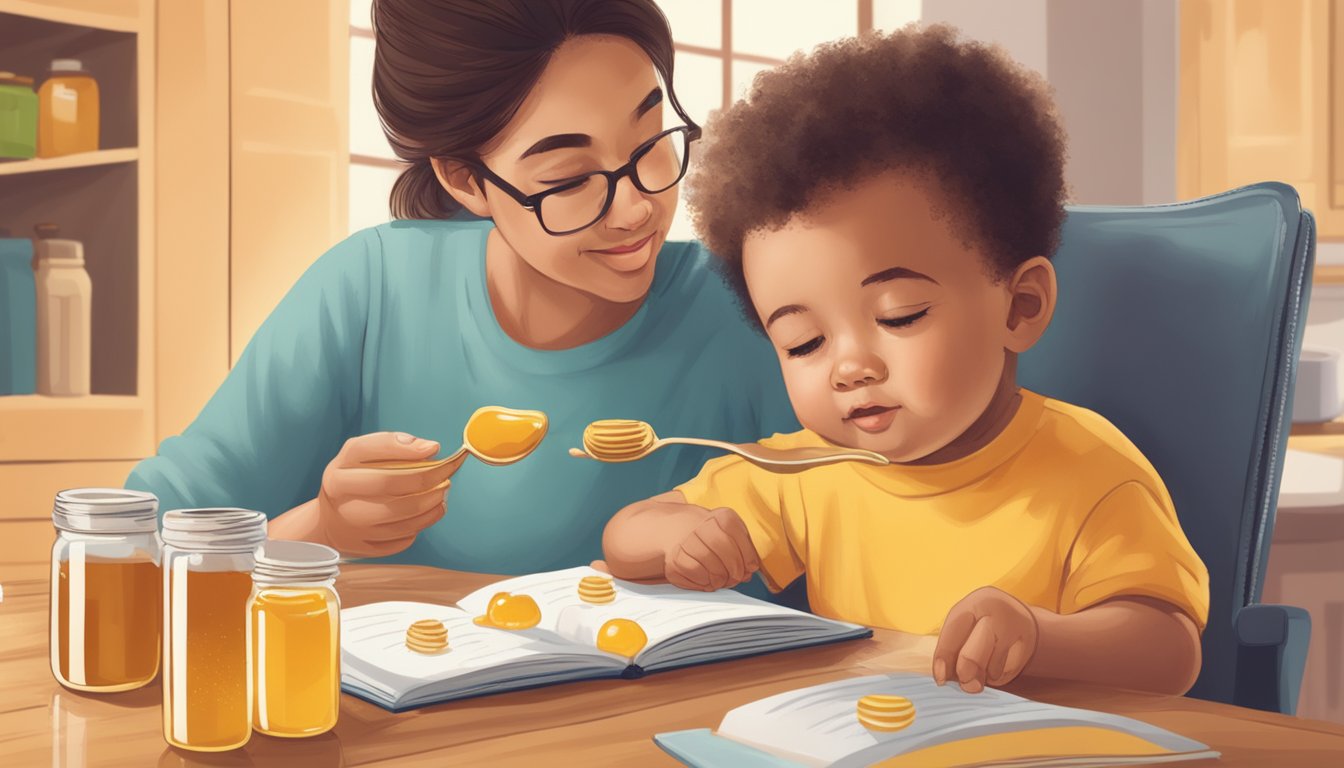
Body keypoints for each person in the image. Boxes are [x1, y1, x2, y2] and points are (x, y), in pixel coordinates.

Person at [600, 26, 1210, 695]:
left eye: (899, 316)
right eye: (804, 343)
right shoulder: (812, 472)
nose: (850, 367)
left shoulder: (1091, 472)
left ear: (1020, 307)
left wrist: (1037, 636)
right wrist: (684, 534)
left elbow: (1169, 652)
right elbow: (626, 538)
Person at [124, 0, 797, 576]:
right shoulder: (374, 289)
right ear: (464, 179)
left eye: (651, 142)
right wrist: (322, 528)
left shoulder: (751, 302)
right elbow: (135, 545)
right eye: (568, 180)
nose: (635, 210)